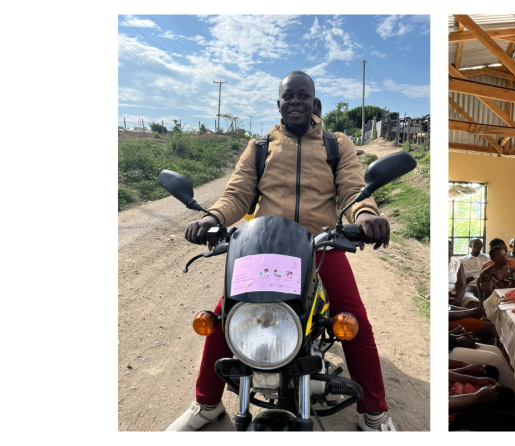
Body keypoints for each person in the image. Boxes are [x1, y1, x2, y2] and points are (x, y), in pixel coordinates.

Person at [169, 71, 396, 431]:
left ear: (313, 103)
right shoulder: (260, 147)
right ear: (278, 104)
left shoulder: (336, 144)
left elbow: (353, 190)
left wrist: (367, 215)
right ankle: (207, 404)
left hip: (321, 246)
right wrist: (212, 217)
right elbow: (238, 194)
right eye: (288, 96)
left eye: (302, 96)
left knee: (354, 323)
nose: (295, 102)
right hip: (266, 246)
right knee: (223, 319)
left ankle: (374, 413)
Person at [454, 238, 490, 308]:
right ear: (470, 246)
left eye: (480, 244)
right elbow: (460, 276)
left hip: (487, 283)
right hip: (472, 285)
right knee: (470, 299)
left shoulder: (488, 257)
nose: (479, 245)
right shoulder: (462, 260)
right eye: (476, 244)